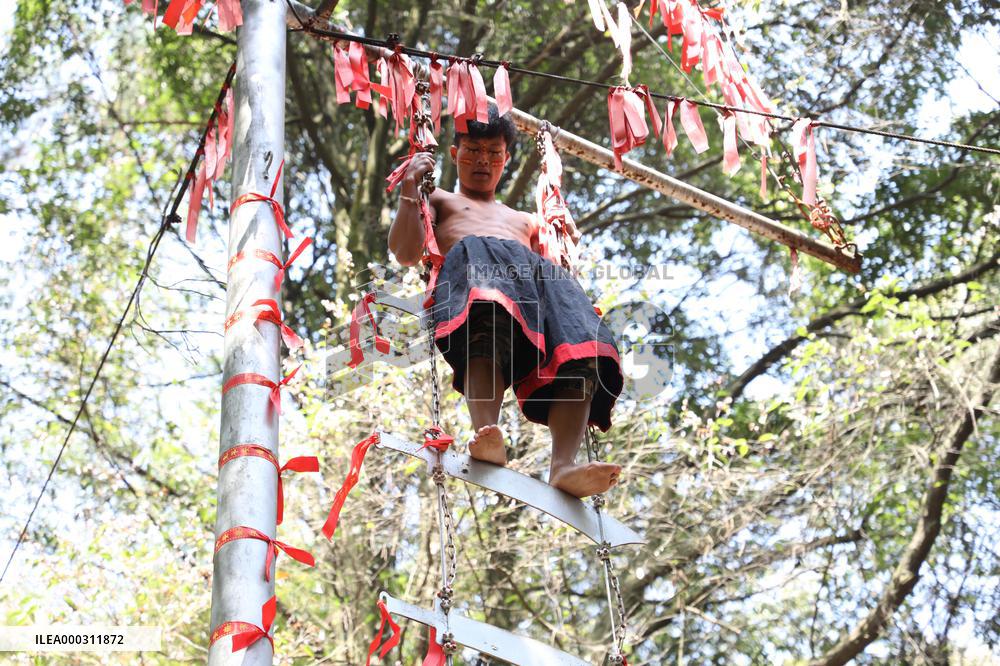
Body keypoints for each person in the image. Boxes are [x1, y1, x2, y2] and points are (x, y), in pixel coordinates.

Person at [388, 104, 624, 498]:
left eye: (493, 153)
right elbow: (405, 252)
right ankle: (487, 431)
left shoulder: (526, 221)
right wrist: (411, 187)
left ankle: (564, 465)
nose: (483, 161)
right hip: (476, 279)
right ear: (454, 154)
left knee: (583, 346)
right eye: (472, 151)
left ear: (506, 159)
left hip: (532, 286)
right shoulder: (441, 199)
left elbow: (550, 273)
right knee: (489, 317)